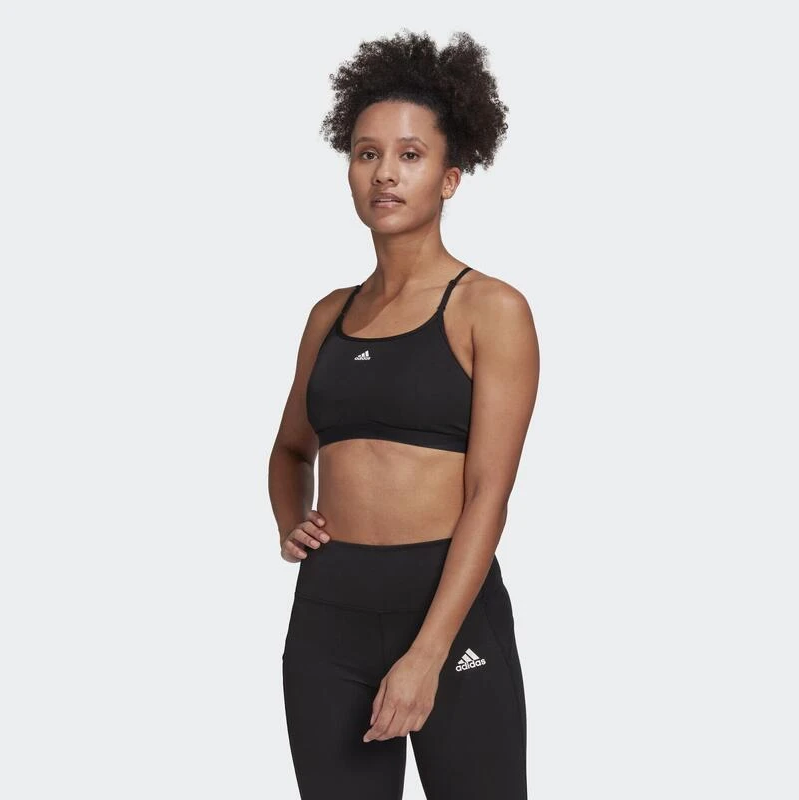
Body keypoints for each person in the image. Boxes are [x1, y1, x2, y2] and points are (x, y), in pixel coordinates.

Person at [268, 29, 540, 800]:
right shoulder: (329, 315)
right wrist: (290, 521)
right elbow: (290, 450)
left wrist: (427, 654)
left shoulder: (491, 309)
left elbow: (489, 494)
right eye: (367, 153)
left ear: (450, 177)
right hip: (328, 615)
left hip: (447, 609)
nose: (385, 172)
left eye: (410, 155)